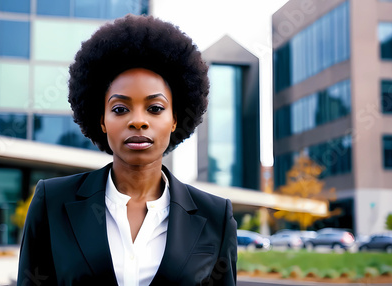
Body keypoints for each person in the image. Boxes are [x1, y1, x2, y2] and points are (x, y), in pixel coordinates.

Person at [17, 14, 237, 286]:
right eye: (120, 109)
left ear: (175, 120)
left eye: (155, 108)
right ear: (102, 120)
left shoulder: (216, 216)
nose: (138, 121)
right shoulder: (52, 202)